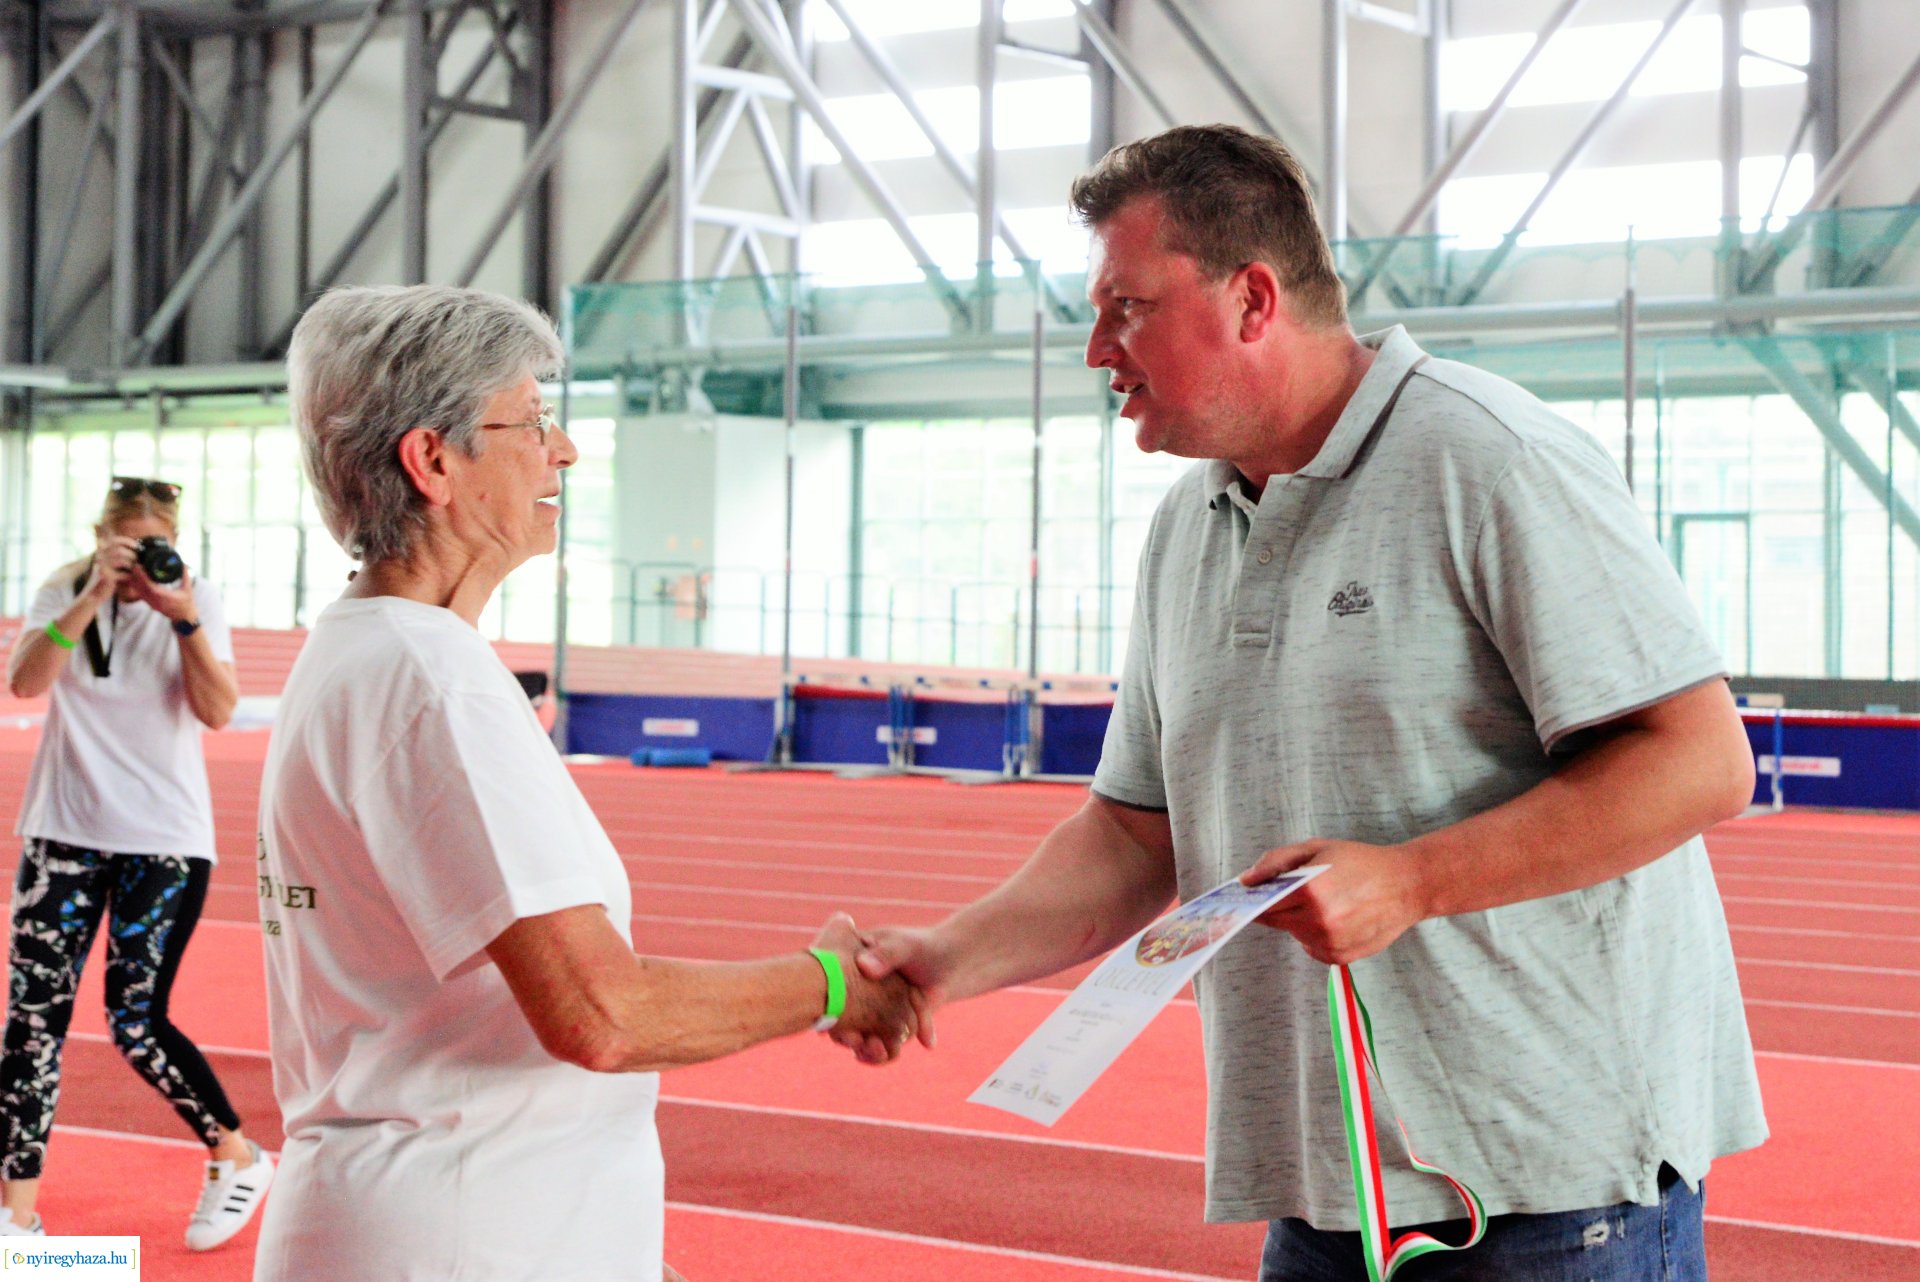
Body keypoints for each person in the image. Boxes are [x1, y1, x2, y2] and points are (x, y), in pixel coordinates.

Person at [851, 125, 1765, 1281]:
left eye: (1125, 306)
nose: (1095, 349)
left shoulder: (1489, 459)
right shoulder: (1189, 525)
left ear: (1250, 298)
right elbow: (1137, 833)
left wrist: (1412, 880)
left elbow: (1699, 761)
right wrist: (948, 956)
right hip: (1328, 1197)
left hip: (1549, 1198)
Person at [255, 284, 926, 1282]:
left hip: (456, 1223)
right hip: (461, 1235)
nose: (563, 450)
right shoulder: (427, 679)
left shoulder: (366, 653)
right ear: (433, 461)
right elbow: (603, 1015)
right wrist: (829, 983)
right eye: (532, 422)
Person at [4, 477, 271, 1250]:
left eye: (156, 543)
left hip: (164, 842)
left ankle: (236, 1154)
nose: (141, 560)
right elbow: (24, 680)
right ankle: (17, 1223)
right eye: (127, 544)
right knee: (30, 1029)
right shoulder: (62, 589)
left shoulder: (194, 598)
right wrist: (89, 597)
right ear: (100, 535)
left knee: (134, 1022)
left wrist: (181, 617)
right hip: (62, 833)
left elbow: (218, 712)